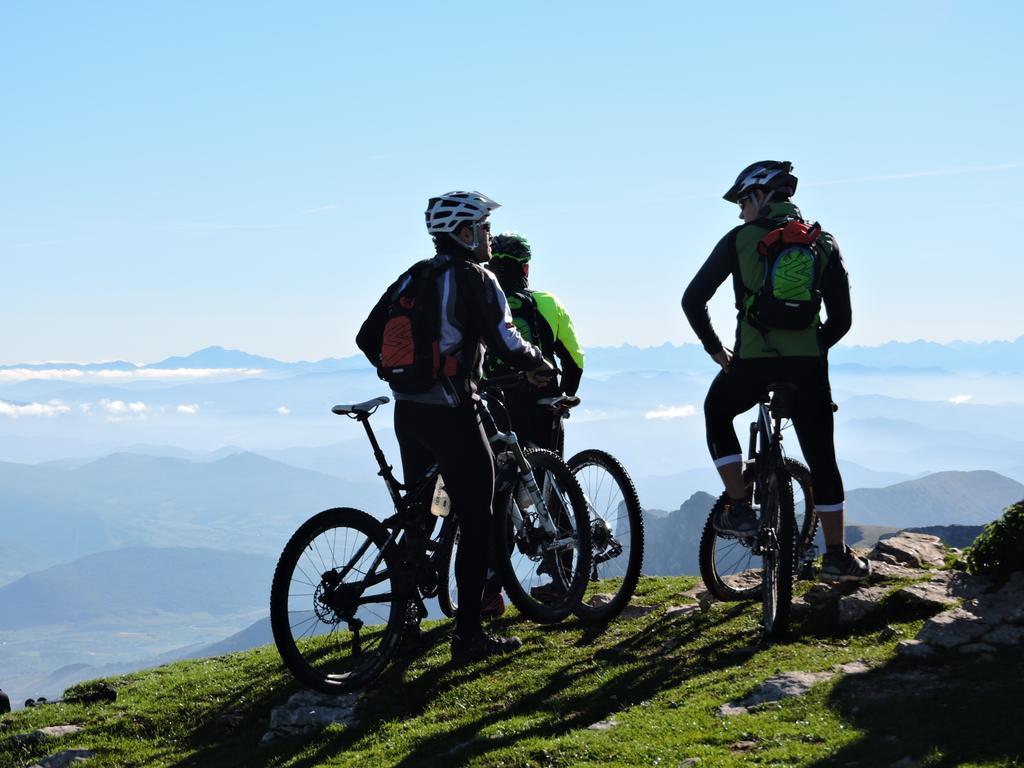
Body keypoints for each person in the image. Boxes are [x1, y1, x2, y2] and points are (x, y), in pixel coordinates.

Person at [356, 191, 554, 663]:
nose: (489, 237)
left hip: (409, 411)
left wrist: (403, 374)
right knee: (478, 518)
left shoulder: (413, 275)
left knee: (420, 516)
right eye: (484, 228)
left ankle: (403, 622)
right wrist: (539, 363)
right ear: (465, 232)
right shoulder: (475, 278)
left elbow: (367, 336)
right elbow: (506, 342)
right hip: (453, 410)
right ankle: (469, 638)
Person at [681, 161, 870, 582]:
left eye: (742, 202)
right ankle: (837, 557)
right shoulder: (825, 244)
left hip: (750, 362)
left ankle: (740, 508)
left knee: (717, 409)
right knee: (823, 456)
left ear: (761, 197)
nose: (739, 212)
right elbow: (842, 319)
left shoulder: (739, 241)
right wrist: (810, 348)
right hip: (808, 367)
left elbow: (692, 300)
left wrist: (716, 349)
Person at [484, 232, 585, 453]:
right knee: (548, 474)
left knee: (500, 473)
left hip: (498, 400)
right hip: (544, 401)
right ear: (525, 268)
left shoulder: (483, 304)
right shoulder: (547, 303)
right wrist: (564, 395)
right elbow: (574, 360)